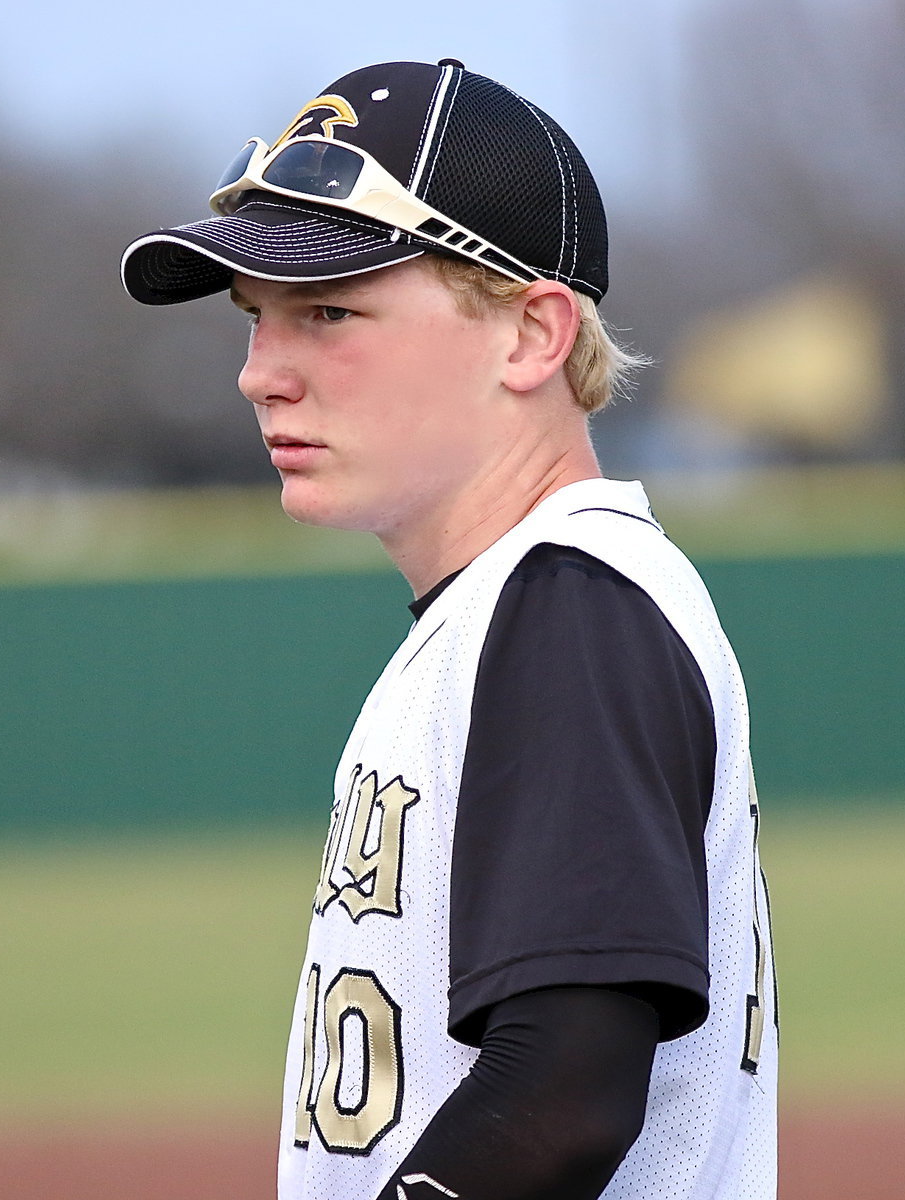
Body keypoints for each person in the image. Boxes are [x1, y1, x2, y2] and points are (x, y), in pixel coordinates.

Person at [121, 59, 777, 1200]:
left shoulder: (571, 598)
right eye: (254, 318)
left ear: (530, 335)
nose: (259, 375)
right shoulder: (517, 604)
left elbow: (563, 1091)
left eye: (327, 310)